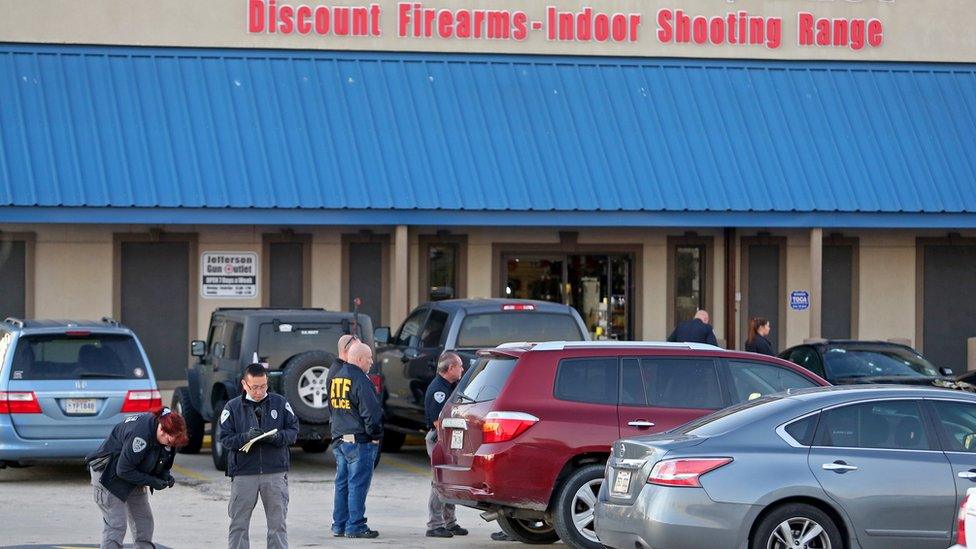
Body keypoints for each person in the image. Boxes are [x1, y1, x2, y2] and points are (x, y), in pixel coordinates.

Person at [221, 363, 300, 549]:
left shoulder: (280, 403)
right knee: (238, 524)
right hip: (244, 473)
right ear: (244, 384)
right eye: (255, 387)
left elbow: (293, 432)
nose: (259, 391)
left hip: (274, 472)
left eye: (263, 386)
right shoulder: (232, 407)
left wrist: (277, 437)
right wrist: (245, 437)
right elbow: (225, 438)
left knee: (277, 524)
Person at [86, 406, 188, 549]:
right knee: (116, 525)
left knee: (144, 522)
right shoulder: (140, 435)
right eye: (170, 440)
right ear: (161, 430)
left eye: (175, 442)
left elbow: (161, 459)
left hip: (134, 475)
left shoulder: (170, 437)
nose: (172, 444)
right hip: (108, 475)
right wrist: (153, 481)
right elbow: (123, 470)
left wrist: (165, 475)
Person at [328, 342, 384, 538]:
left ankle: (339, 525)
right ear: (360, 359)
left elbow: (332, 410)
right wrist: (375, 436)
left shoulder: (337, 377)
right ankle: (356, 525)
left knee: (342, 484)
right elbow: (372, 413)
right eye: (369, 358)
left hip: (340, 439)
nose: (371, 362)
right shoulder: (360, 379)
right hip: (359, 442)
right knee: (357, 485)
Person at [424, 352, 467, 538]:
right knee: (439, 481)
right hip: (438, 439)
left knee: (449, 480)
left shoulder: (451, 386)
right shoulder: (438, 390)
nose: (462, 369)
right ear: (450, 368)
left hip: (448, 439)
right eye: (460, 366)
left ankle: (450, 522)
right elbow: (437, 422)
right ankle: (434, 525)